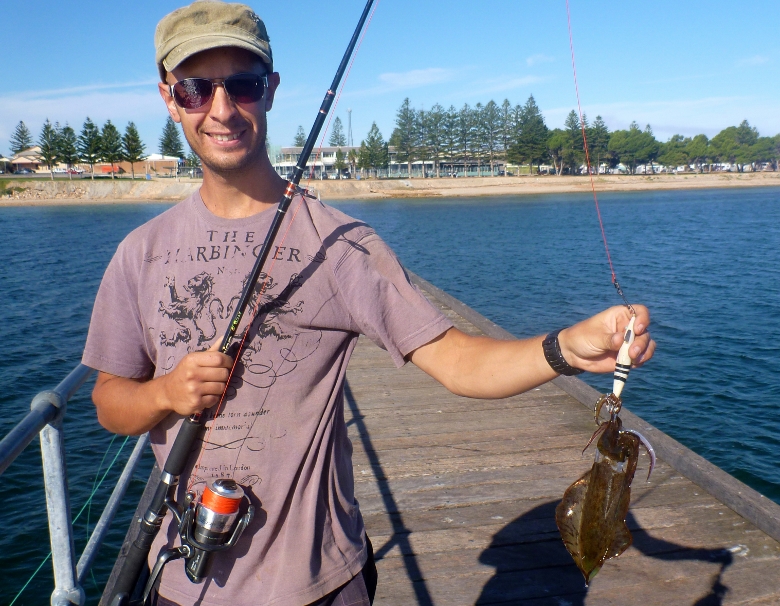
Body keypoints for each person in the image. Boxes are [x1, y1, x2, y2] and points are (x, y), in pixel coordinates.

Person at [82, 2, 655, 605]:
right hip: (183, 581)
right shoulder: (139, 254)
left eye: (243, 84)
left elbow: (459, 362)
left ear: (270, 91)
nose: (222, 109)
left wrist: (564, 347)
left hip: (321, 584)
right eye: (197, 89)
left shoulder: (342, 244)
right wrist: (164, 393)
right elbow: (109, 402)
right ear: (170, 98)